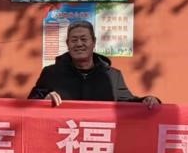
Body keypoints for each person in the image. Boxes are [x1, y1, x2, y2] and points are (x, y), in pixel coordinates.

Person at [28, 21, 161, 107]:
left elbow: (129, 104)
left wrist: (147, 100)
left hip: (96, 139)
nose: (79, 44)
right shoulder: (51, 73)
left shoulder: (113, 76)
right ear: (68, 44)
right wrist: (43, 100)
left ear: (94, 42)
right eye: (74, 40)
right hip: (64, 137)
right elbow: (30, 103)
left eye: (84, 39)